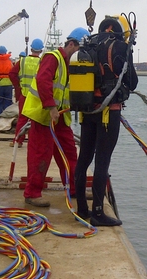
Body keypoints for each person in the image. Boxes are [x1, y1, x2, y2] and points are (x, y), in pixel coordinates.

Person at [74, 16, 138, 226]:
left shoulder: (88, 44)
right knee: (102, 161)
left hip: (87, 110)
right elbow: (132, 82)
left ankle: (82, 208)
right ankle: (98, 212)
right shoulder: (119, 46)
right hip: (108, 111)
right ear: (116, 29)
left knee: (84, 158)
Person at [22, 28, 89, 207]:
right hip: (43, 116)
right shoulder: (53, 58)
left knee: (69, 154)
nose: (80, 55)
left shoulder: (69, 64)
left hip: (59, 118)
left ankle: (75, 189)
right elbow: (43, 81)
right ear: (71, 44)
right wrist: (51, 106)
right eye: (79, 50)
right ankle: (32, 193)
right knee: (40, 155)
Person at [8, 40, 43, 147]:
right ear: (41, 50)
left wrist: (18, 86)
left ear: (31, 49)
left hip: (24, 94)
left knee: (22, 119)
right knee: (37, 120)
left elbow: (12, 74)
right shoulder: (42, 62)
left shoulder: (22, 61)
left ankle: (18, 141)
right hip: (37, 96)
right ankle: (35, 142)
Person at [0, 45, 13, 117]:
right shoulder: (9, 61)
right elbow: (13, 72)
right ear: (5, 52)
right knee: (8, 102)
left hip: (0, 84)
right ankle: (7, 118)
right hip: (8, 85)